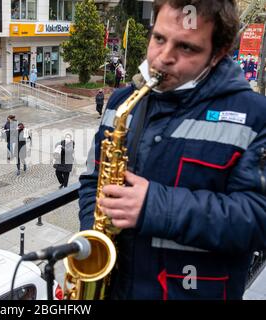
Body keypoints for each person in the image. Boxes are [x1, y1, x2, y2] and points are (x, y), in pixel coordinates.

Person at [79, 0, 266, 300]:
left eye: (186, 48)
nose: (162, 58)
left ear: (217, 54)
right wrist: (95, 237)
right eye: (159, 39)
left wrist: (155, 206)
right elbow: (92, 179)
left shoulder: (257, 117)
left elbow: (259, 218)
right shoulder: (120, 102)